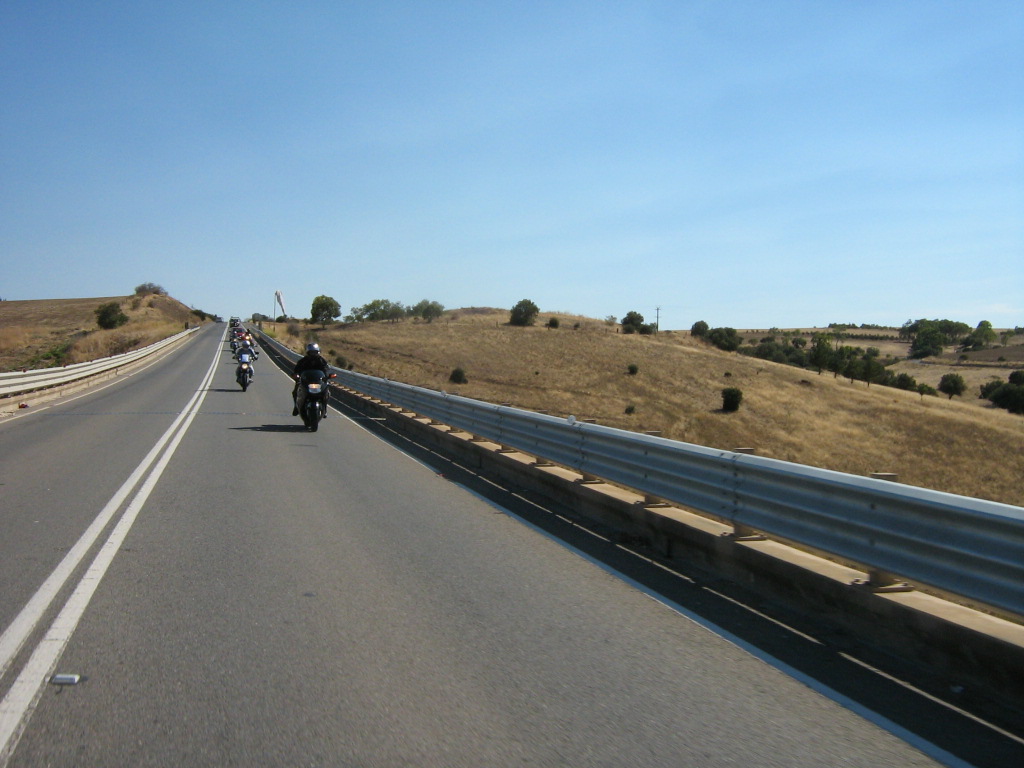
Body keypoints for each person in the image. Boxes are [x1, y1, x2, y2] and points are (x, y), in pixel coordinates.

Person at [292, 343, 331, 416]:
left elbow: (326, 369)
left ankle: (325, 408)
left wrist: (326, 377)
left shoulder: (321, 360)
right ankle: (296, 407)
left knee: (327, 392)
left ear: (318, 352)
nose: (313, 354)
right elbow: (297, 369)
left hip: (318, 381)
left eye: (314, 352)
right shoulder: (303, 361)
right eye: (311, 352)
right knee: (296, 391)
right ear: (308, 352)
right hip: (306, 381)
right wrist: (296, 375)